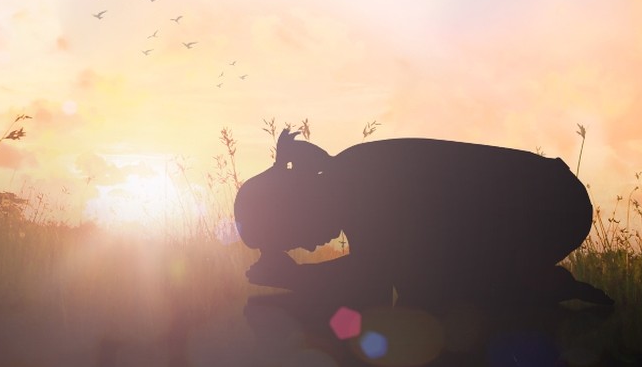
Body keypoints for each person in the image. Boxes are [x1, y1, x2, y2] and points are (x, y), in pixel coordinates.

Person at [234, 129, 613, 307]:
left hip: (550, 209)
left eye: (292, 238)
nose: (310, 246)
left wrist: (294, 277)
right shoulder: (350, 171)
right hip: (549, 202)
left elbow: (371, 286)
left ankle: (537, 288)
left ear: (290, 206)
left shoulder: (357, 181)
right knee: (421, 286)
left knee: (424, 293)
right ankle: (537, 286)